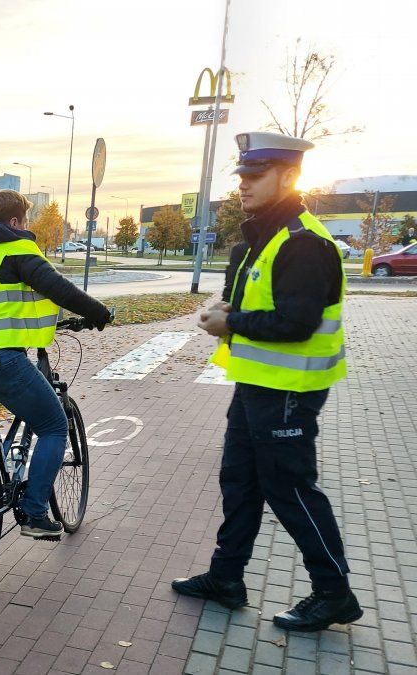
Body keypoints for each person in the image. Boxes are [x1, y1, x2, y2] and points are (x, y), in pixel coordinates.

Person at [173, 131, 361, 632]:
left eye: (255, 176)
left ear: (290, 176)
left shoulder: (304, 243)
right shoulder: (263, 236)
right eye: (241, 176)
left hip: (289, 392)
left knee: (290, 489)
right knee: (239, 480)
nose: (243, 185)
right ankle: (226, 578)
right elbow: (255, 304)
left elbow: (296, 322)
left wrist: (230, 324)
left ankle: (334, 592)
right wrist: (223, 309)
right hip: (256, 385)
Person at [0, 190, 112, 539]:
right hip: (1, 360)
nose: (26, 226)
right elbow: (57, 287)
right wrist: (98, 313)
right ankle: (33, 513)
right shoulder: (15, 247)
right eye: (25, 221)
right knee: (54, 426)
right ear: (15, 222)